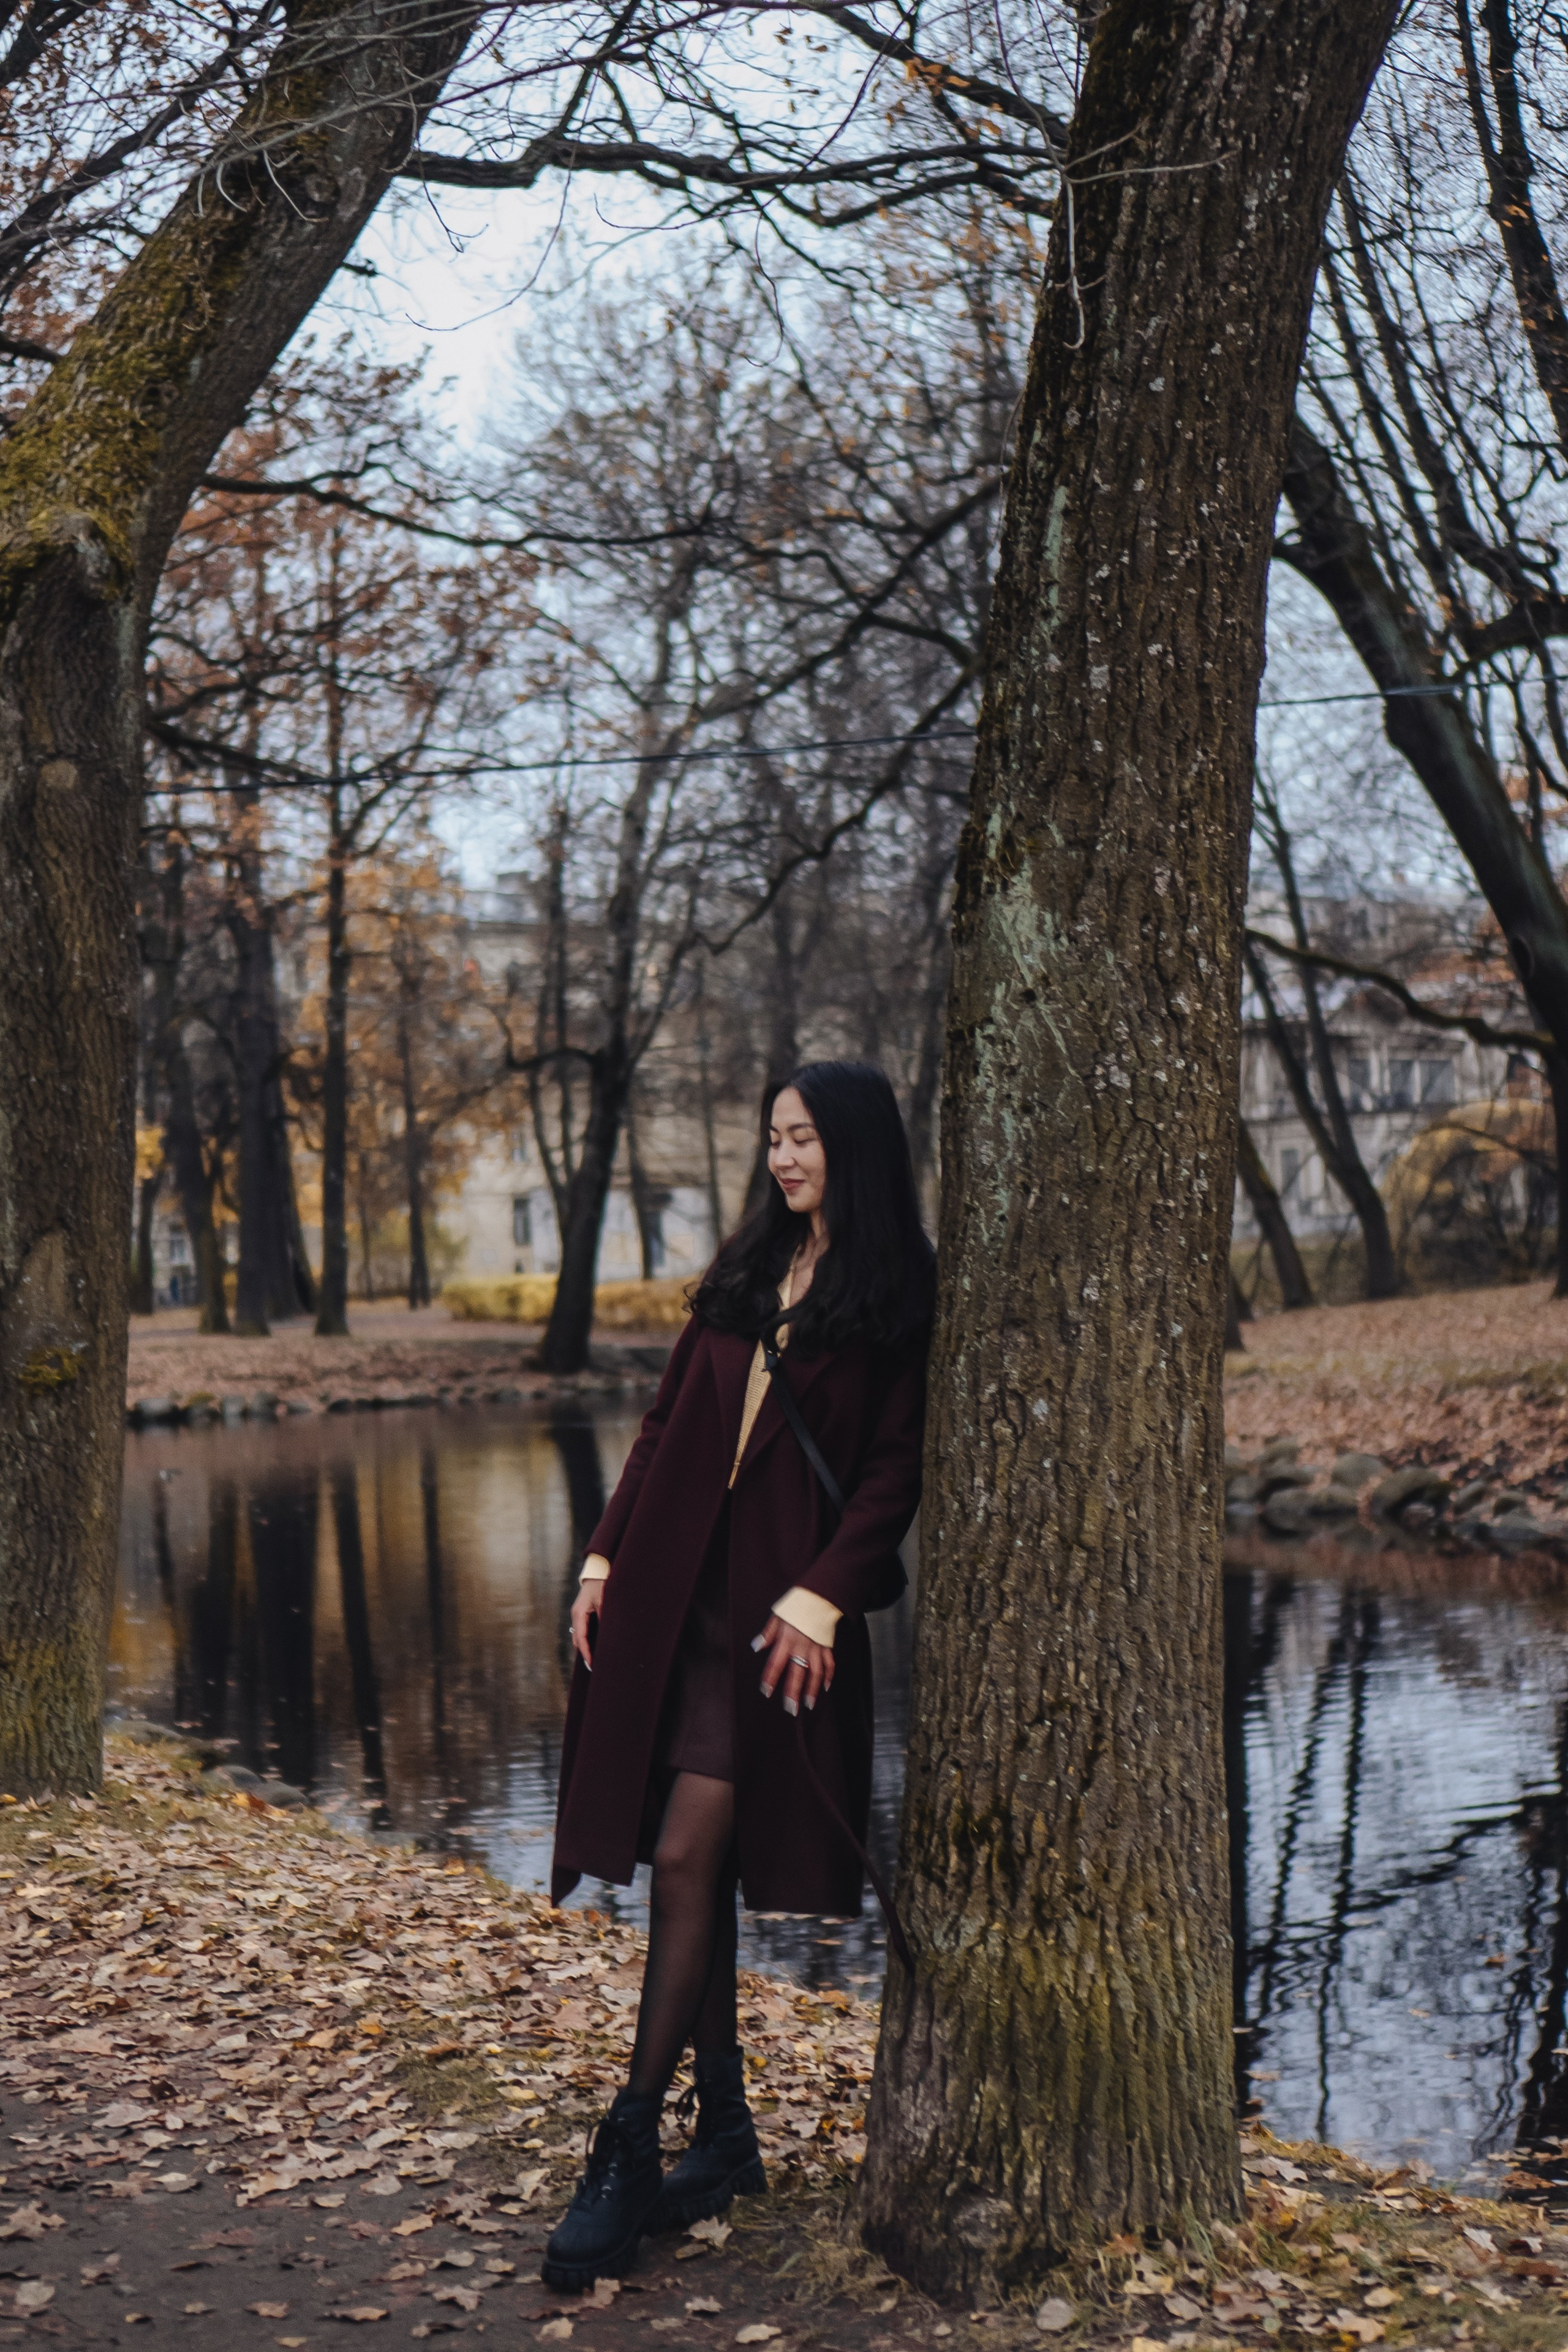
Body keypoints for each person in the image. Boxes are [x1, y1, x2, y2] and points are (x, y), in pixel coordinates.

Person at [541, 1060, 935, 2291]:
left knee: (684, 1858)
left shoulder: (900, 1291)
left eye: (803, 1136)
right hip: (670, 1606)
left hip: (774, 1617)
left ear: (853, 1146)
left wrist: (826, 1592)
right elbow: (664, 1425)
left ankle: (626, 2144)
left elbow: (895, 1468)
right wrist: (601, 1556)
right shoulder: (748, 1271)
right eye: (774, 1137)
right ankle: (721, 2134)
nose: (783, 1157)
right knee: (688, 1865)